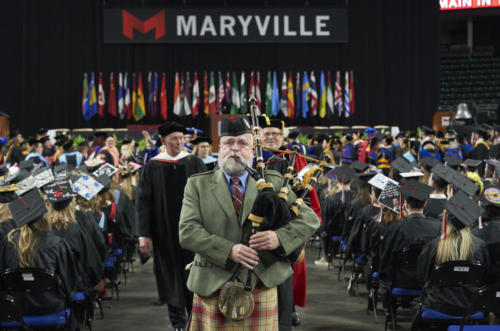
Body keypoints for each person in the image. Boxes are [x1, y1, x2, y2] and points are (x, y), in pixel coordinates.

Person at [179, 117, 319, 330]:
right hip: (211, 282)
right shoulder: (197, 184)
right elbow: (188, 231)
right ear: (220, 148)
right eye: (228, 143)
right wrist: (229, 250)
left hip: (261, 282)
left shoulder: (274, 181)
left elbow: (310, 219)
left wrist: (278, 238)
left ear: (253, 149)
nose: (235, 149)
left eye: (242, 143)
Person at [136, 121, 206, 331]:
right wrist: (144, 234)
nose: (179, 143)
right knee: (170, 278)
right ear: (163, 141)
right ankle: (177, 324)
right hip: (164, 233)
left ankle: (195, 321)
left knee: (194, 275)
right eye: (174, 139)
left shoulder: (194, 163)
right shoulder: (152, 166)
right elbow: (143, 202)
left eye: (181, 139)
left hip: (194, 232)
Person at [0, 189, 79, 328]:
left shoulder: (9, 243)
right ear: (44, 215)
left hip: (18, 311)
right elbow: (70, 285)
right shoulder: (57, 244)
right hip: (52, 308)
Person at [417, 190, 489, 317]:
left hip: (438, 306)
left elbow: (422, 277)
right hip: (470, 307)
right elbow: (484, 278)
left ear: (446, 218)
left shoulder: (435, 245)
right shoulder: (480, 246)